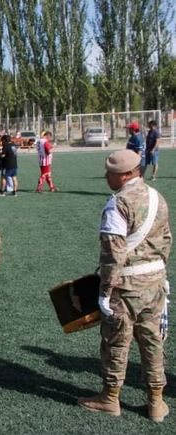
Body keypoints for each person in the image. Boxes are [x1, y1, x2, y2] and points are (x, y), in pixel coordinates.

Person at [77, 150, 171, 422]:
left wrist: (105, 292)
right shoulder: (158, 197)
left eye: (111, 172)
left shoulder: (118, 204)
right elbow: (166, 241)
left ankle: (110, 398)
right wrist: (161, 275)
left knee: (116, 342)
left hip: (125, 286)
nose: (107, 176)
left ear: (128, 174)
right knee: (153, 342)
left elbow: (112, 254)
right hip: (154, 283)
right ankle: (156, 402)